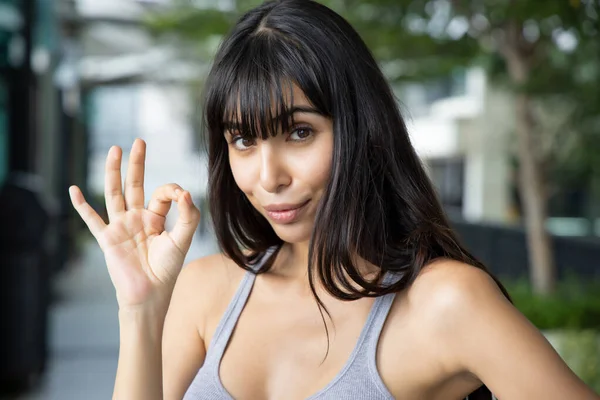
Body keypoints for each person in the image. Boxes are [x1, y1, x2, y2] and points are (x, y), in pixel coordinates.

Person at [68, 1, 600, 399]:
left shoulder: (443, 302)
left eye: (298, 132)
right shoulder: (207, 292)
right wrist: (140, 309)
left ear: (361, 130)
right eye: (242, 140)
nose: (268, 176)